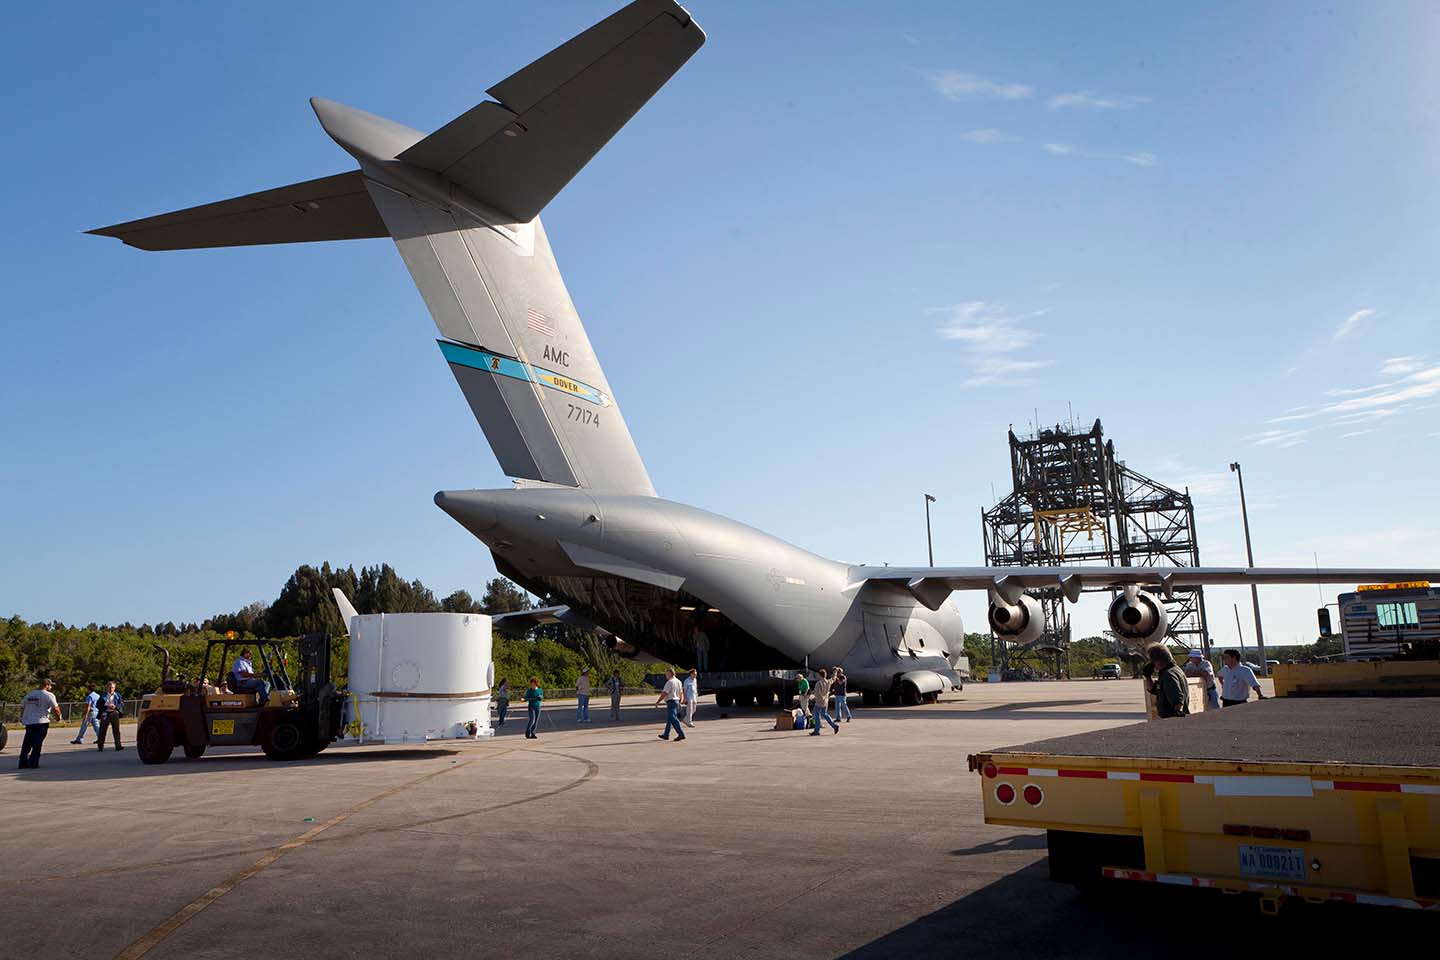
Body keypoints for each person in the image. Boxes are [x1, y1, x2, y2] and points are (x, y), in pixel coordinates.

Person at [18, 679, 62, 769]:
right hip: (41, 722)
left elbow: (22, 706)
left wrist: (22, 717)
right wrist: (59, 717)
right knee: (37, 743)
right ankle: (33, 763)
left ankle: (22, 763)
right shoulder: (49, 695)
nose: (51, 687)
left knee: (27, 743)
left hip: (29, 722)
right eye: (50, 685)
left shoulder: (30, 694)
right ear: (46, 685)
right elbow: (56, 708)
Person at [1143, 644, 1189, 718]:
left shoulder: (1168, 675)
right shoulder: (1174, 670)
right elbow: (1155, 690)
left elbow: (1178, 699)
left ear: (1158, 660)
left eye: (1152, 660)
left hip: (1171, 720)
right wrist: (1148, 677)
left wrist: (1175, 717)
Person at [654, 668, 687, 741]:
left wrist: (658, 701)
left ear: (670, 673)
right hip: (676, 701)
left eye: (666, 673)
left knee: (673, 718)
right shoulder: (678, 681)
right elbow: (681, 692)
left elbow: (665, 693)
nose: (666, 675)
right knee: (669, 719)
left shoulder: (670, 682)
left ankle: (681, 734)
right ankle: (666, 734)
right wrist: (680, 701)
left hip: (671, 701)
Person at [96, 680, 126, 750]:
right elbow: (97, 705)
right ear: (107, 687)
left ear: (114, 688)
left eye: (112, 687)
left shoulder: (117, 695)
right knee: (102, 730)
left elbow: (122, 703)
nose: (110, 689)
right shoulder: (103, 695)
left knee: (116, 730)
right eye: (109, 687)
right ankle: (100, 746)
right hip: (105, 714)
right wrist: (106, 706)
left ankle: (118, 746)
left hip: (114, 713)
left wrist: (116, 706)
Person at [810, 668, 840, 735]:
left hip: (819, 701)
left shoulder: (818, 683)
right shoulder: (828, 682)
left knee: (817, 716)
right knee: (825, 714)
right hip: (825, 701)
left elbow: (816, 693)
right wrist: (835, 671)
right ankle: (834, 726)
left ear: (819, 675)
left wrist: (811, 695)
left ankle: (817, 731)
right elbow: (833, 678)